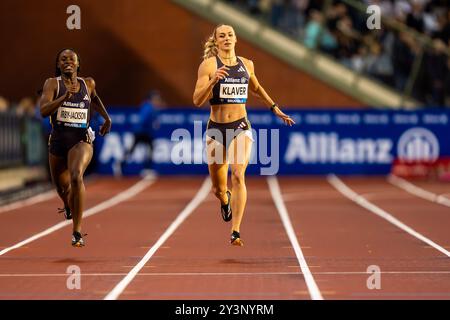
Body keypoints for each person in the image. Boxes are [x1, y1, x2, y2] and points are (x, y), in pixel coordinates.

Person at [193, 24, 295, 246]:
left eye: (230, 35)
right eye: (222, 36)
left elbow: (256, 88)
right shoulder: (208, 65)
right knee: (218, 189)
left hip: (241, 126)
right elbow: (197, 100)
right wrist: (212, 81)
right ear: (216, 41)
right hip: (216, 130)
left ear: (236, 39)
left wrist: (275, 108)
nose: (227, 38)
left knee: (238, 174)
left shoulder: (246, 65)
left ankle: (236, 230)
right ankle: (225, 200)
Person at [39, 48, 111, 247]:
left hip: (81, 138)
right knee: (62, 188)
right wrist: (64, 98)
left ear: (78, 64)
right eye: (63, 59)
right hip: (58, 140)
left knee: (76, 175)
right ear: (58, 65)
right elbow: (44, 111)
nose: (67, 62)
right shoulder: (52, 84)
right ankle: (67, 205)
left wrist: (106, 117)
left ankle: (77, 232)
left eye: (72, 59)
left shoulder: (87, 83)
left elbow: (94, 97)